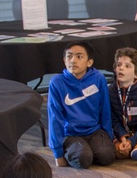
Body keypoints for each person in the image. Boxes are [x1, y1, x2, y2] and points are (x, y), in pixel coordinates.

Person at [48, 42, 116, 170]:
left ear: (89, 62)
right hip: (71, 134)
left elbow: (105, 110)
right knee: (83, 158)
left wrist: (108, 138)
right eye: (69, 56)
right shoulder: (57, 83)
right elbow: (54, 119)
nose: (73, 60)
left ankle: (89, 149)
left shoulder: (98, 79)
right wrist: (58, 154)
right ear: (64, 60)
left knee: (107, 156)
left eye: (79, 57)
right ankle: (81, 150)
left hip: (94, 131)